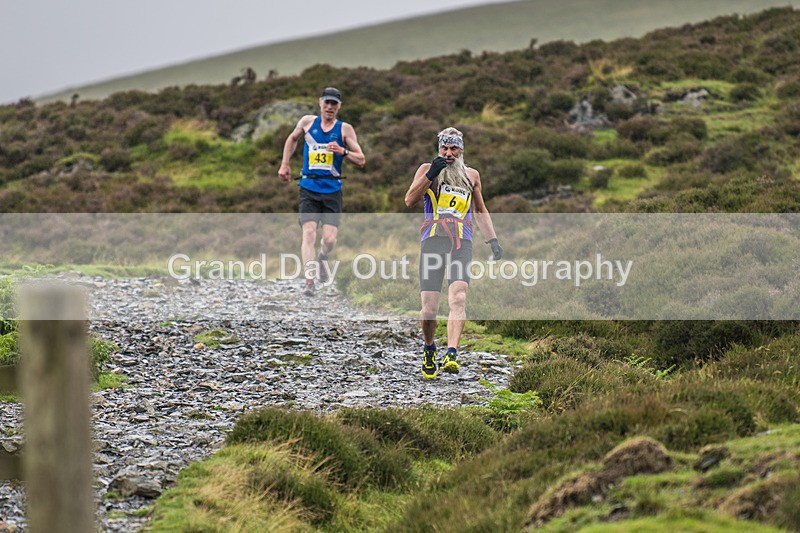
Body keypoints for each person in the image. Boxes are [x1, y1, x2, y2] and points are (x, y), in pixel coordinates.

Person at [404, 127, 503, 379]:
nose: (448, 153)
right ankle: (429, 348)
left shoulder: (472, 175)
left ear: (461, 150)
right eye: (444, 149)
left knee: (458, 297)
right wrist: (431, 173)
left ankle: (451, 353)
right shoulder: (428, 169)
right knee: (429, 308)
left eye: (453, 149)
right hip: (433, 240)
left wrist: (492, 240)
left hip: (462, 241)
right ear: (439, 149)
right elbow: (409, 200)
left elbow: (480, 210)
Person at [279, 87, 365, 296]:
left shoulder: (345, 130)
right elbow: (292, 139)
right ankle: (310, 281)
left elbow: (361, 159)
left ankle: (323, 257)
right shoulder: (308, 122)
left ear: (339, 107)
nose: (329, 107)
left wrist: (342, 151)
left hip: (332, 190)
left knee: (329, 240)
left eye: (334, 104)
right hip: (308, 187)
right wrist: (285, 165)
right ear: (320, 103)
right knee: (308, 233)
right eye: (326, 103)